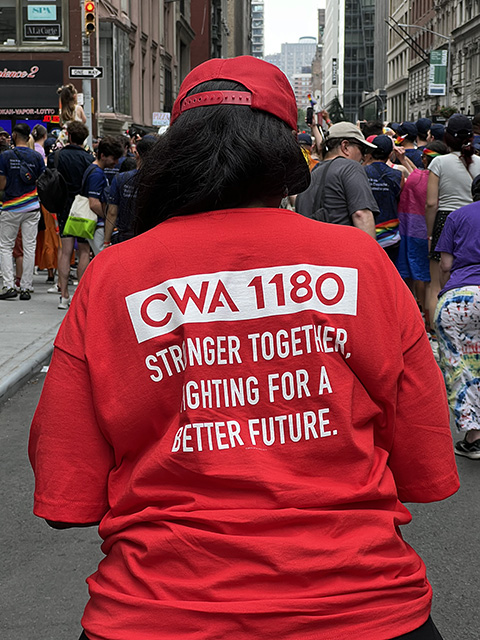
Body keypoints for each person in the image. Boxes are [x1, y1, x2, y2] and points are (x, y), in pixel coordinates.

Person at [29, 55, 459, 640]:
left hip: (160, 609)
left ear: (179, 149)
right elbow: (425, 462)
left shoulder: (113, 276)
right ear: (284, 149)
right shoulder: (361, 263)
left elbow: (66, 492)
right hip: (360, 605)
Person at [434, 175, 480, 459]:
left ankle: (474, 438)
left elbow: (446, 264)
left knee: (461, 366)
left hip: (460, 298)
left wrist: (444, 291)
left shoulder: (457, 216)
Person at [425, 114, 480, 331]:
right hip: (475, 222)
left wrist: (430, 234)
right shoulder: (479, 162)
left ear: (447, 137)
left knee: (436, 283)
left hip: (445, 220)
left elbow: (431, 203)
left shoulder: (439, 162)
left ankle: (436, 332)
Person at [295, 121, 378, 238]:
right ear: (345, 146)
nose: (364, 157)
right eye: (362, 150)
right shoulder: (350, 167)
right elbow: (361, 214)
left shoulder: (311, 175)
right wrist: (371, 249)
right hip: (343, 246)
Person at [397, 141, 448, 328]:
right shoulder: (444, 181)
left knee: (419, 277)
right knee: (433, 282)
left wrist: (403, 159)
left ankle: (422, 319)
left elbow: (416, 173)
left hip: (413, 233)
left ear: (425, 160)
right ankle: (431, 322)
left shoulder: (416, 178)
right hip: (436, 231)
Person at [49, 121, 94, 309]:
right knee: (84, 250)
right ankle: (80, 296)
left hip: (64, 206)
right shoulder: (88, 159)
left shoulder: (57, 156)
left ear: (68, 136)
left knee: (65, 251)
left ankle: (63, 295)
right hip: (83, 207)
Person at [0, 123, 45, 300]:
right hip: (32, 206)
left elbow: (2, 184)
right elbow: (41, 181)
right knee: (29, 246)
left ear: (14, 135)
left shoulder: (5, 156)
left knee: (5, 246)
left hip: (11, 206)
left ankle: (9, 285)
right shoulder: (37, 157)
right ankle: (26, 287)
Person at [104, 135, 156, 246]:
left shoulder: (120, 178)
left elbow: (112, 212)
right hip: (149, 237)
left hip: (125, 237)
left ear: (137, 154)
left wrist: (106, 241)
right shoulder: (159, 180)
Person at [81, 135, 123, 256]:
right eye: (114, 158)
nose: (116, 162)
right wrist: (108, 218)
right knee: (103, 256)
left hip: (93, 224)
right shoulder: (97, 174)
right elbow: (94, 203)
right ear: (103, 155)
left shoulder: (93, 169)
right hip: (97, 225)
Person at [364, 134, 402, 263]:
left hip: (366, 232)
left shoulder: (361, 172)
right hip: (390, 236)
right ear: (390, 154)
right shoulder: (398, 175)